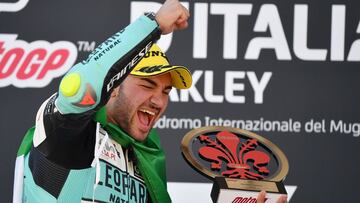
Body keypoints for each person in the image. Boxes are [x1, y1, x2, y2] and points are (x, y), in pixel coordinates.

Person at [13, 0, 191, 202]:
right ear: (113, 87)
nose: (159, 101)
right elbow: (78, 89)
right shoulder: (69, 136)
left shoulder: (146, 160)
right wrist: (153, 24)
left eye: (166, 91)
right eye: (147, 85)